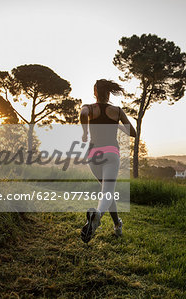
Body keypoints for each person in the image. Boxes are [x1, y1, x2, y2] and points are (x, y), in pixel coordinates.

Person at [79, 79, 136, 243]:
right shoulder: (117, 111)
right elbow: (133, 133)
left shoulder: (89, 107)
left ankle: (117, 225)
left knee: (107, 192)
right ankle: (97, 216)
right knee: (108, 192)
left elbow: (83, 115)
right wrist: (117, 126)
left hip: (94, 155)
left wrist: (84, 133)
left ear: (95, 91)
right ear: (109, 92)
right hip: (111, 153)